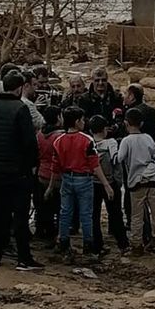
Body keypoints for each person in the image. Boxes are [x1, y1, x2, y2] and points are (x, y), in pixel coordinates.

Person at [0, 71, 43, 271]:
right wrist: (31, 165)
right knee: (20, 215)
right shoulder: (20, 109)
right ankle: (24, 258)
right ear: (20, 87)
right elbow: (29, 142)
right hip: (18, 172)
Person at [53, 106, 113, 262]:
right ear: (78, 121)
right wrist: (106, 184)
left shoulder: (58, 140)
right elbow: (95, 164)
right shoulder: (87, 140)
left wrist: (51, 185)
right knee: (86, 214)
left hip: (67, 178)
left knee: (65, 212)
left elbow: (56, 165)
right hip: (84, 179)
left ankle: (63, 242)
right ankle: (88, 246)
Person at [116, 108, 155, 255]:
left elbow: (119, 158)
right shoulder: (148, 138)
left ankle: (137, 245)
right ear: (141, 123)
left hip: (136, 182)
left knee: (137, 215)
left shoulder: (126, 141)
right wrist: (148, 173)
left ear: (125, 123)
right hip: (153, 181)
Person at [88, 115, 127, 255]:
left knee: (94, 215)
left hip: (92, 183)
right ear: (105, 129)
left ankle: (97, 245)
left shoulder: (88, 142)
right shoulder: (111, 142)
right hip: (110, 183)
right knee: (116, 213)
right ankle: (123, 243)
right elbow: (116, 160)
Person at [33, 106, 64, 242]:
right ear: (58, 118)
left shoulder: (39, 134)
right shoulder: (60, 137)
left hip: (41, 174)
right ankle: (56, 234)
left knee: (43, 207)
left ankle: (42, 230)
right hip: (56, 176)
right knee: (58, 207)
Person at [122, 83, 155, 151]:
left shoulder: (131, 114)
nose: (123, 96)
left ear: (131, 96)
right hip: (153, 151)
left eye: (125, 93)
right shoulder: (152, 111)